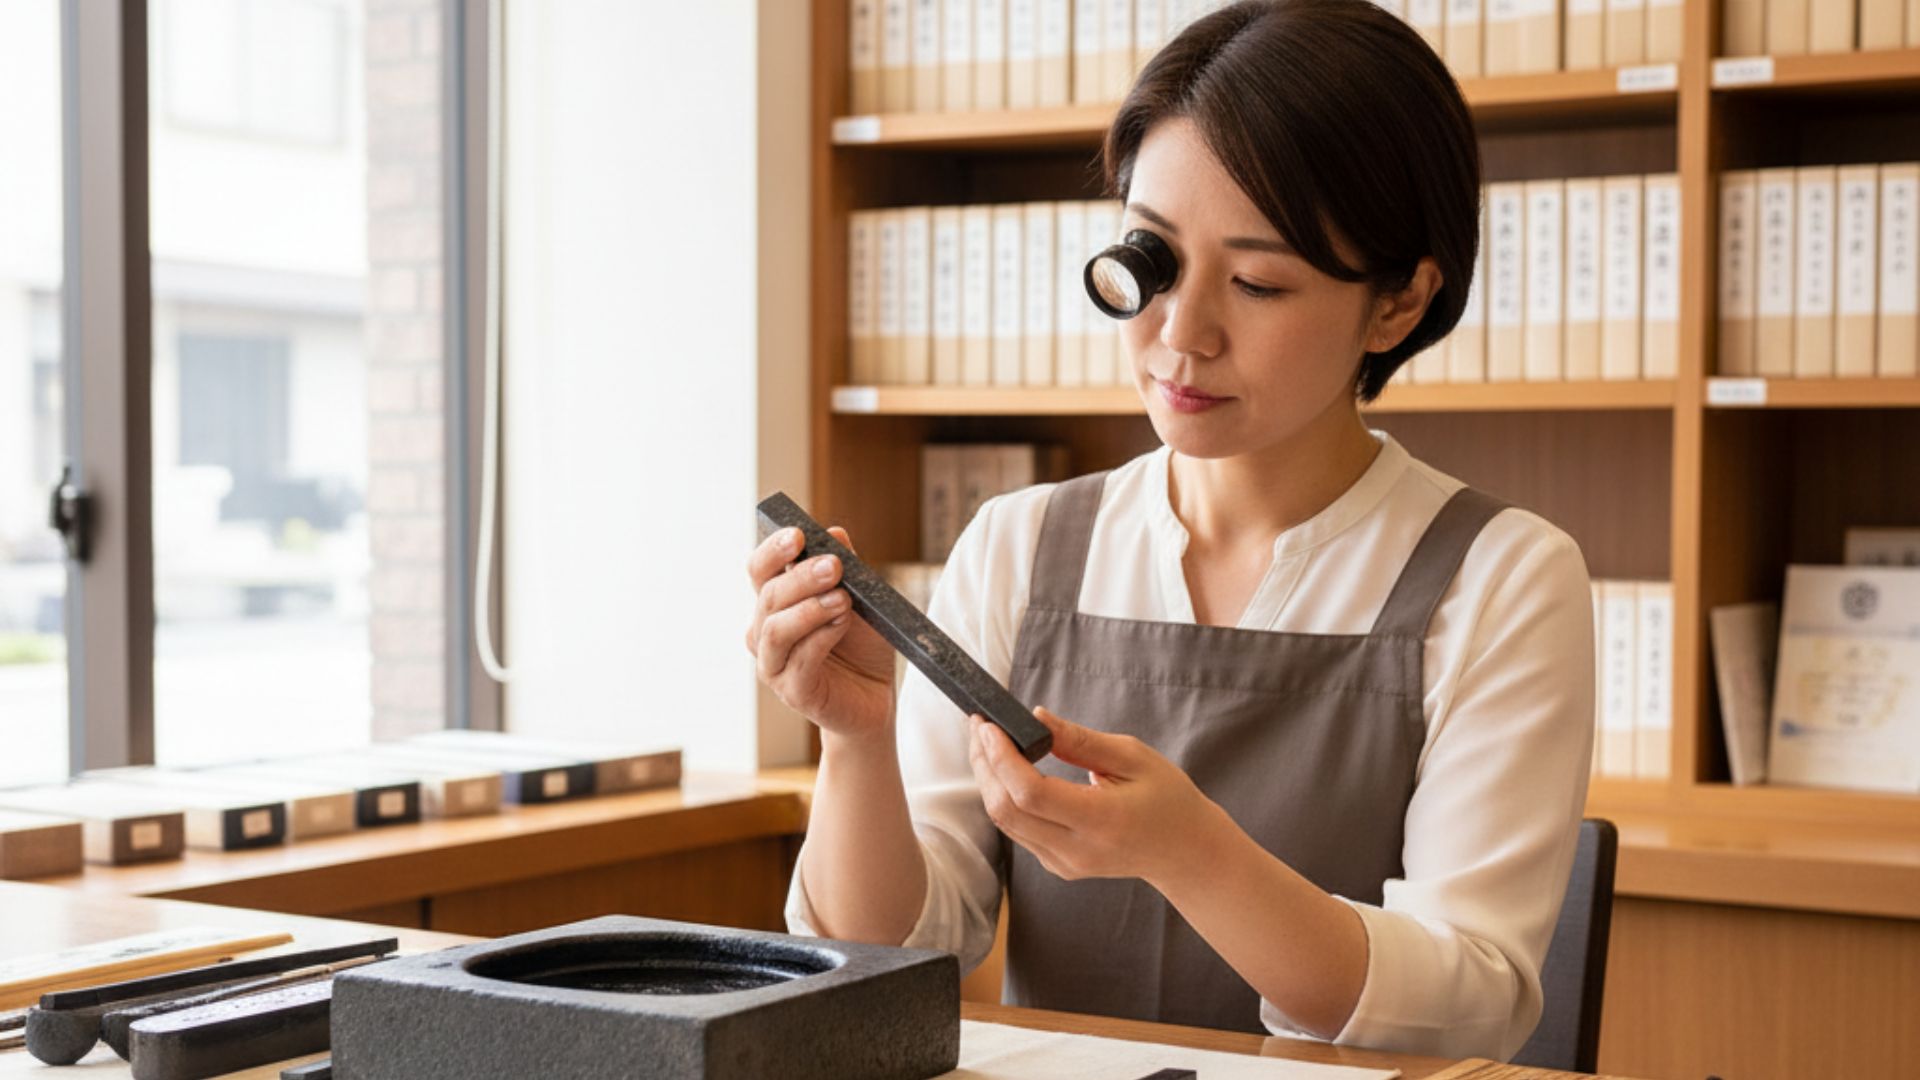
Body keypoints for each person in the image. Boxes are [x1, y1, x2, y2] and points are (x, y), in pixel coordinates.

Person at [744, 0, 1594, 1062]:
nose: (1179, 335)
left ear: (1397, 304)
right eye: (1150, 259)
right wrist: (857, 740)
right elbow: (893, 957)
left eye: (1258, 282)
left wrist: (1195, 855)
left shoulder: (1504, 580)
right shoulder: (1020, 546)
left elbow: (1473, 1000)